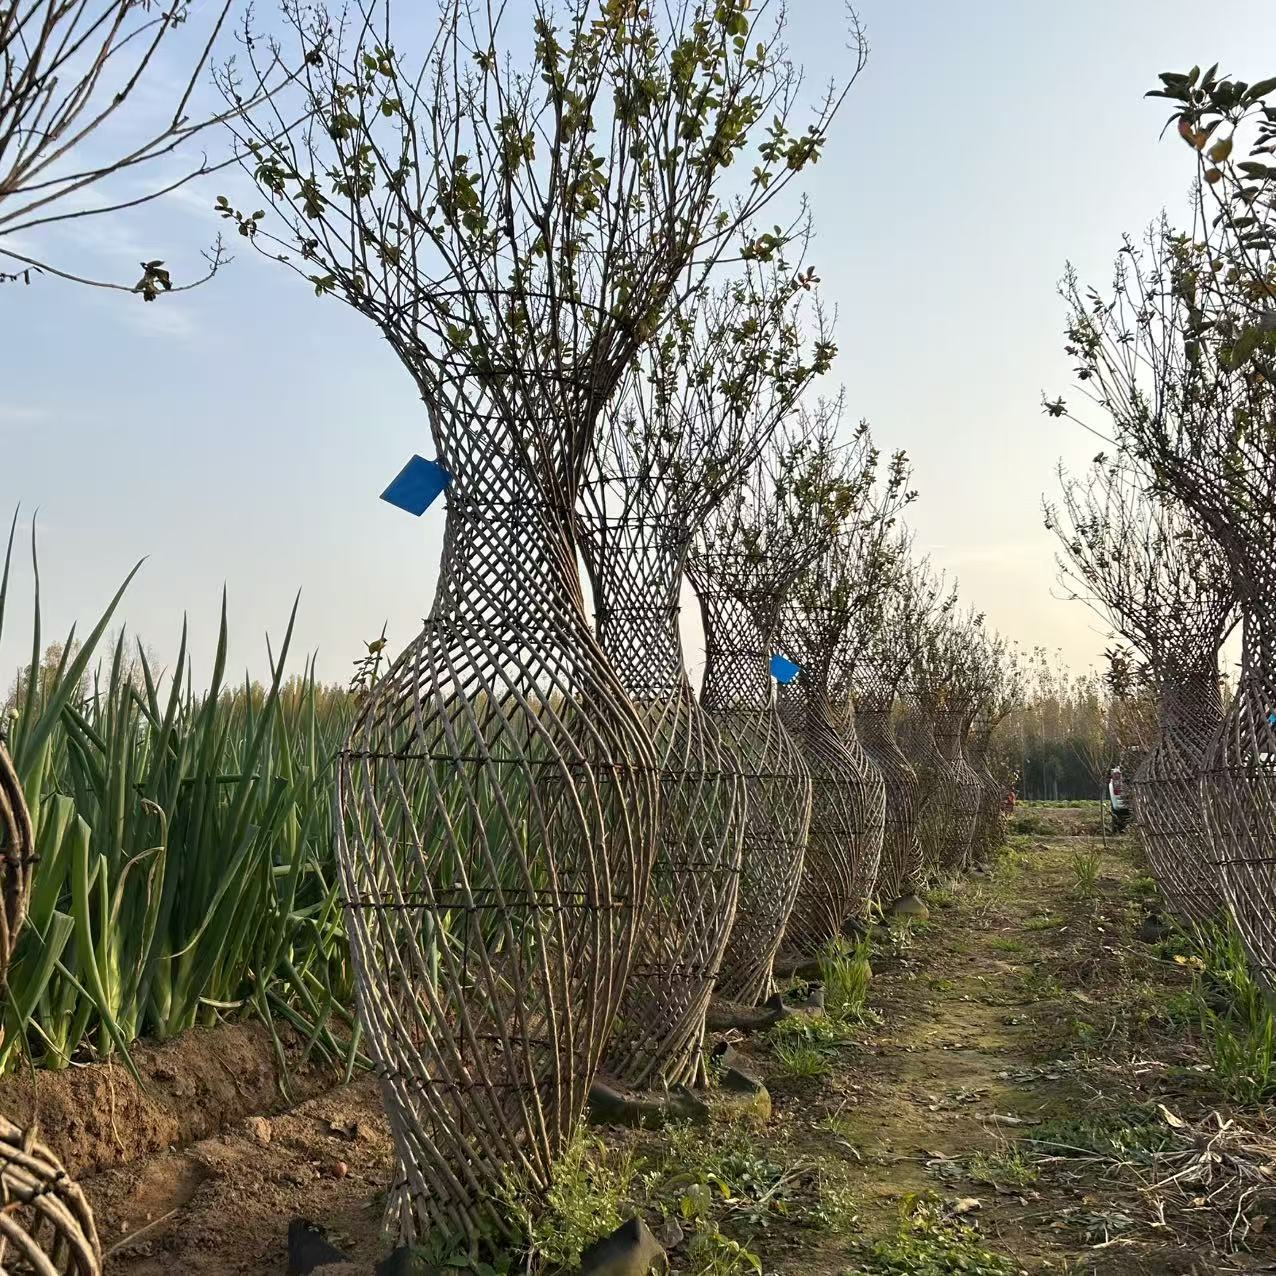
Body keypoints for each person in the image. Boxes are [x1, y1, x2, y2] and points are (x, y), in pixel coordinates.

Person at [1108, 766, 1132, 833]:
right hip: (1120, 803)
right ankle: (1118, 829)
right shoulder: (1114, 783)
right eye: (1115, 774)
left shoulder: (1124, 782)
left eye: (1118, 774)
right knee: (1118, 815)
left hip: (1125, 803)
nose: (1117, 775)